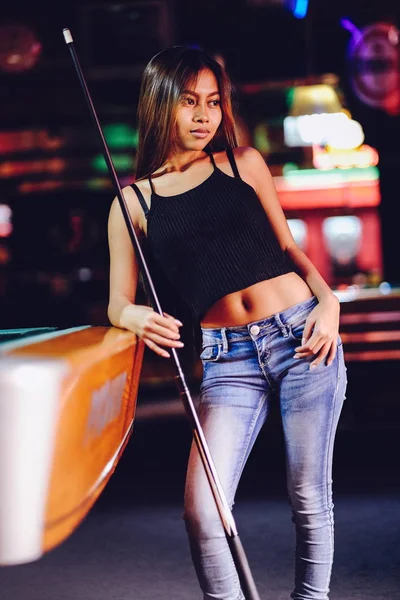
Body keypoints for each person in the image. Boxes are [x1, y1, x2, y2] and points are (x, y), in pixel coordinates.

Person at [107, 46, 347, 600]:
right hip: (225, 359)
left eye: (213, 102)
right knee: (202, 510)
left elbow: (288, 246)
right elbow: (116, 303)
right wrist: (137, 314)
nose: (203, 116)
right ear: (159, 104)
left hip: (302, 334)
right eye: (189, 101)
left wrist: (329, 303)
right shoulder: (132, 203)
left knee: (309, 495)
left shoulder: (244, 163)